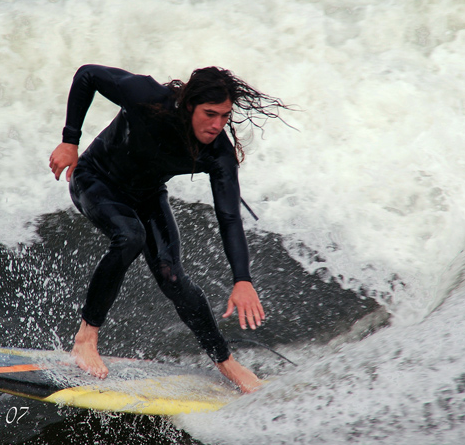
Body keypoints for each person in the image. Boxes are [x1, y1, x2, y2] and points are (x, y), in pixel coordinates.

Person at [49, 64, 287, 393]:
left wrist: (242, 279)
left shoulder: (218, 154)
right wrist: (70, 141)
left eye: (225, 116)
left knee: (172, 276)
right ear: (190, 105)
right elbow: (87, 75)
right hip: (95, 179)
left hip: (147, 196)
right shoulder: (148, 97)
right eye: (210, 114)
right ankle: (86, 337)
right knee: (130, 236)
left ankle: (226, 361)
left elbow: (229, 217)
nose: (218, 125)